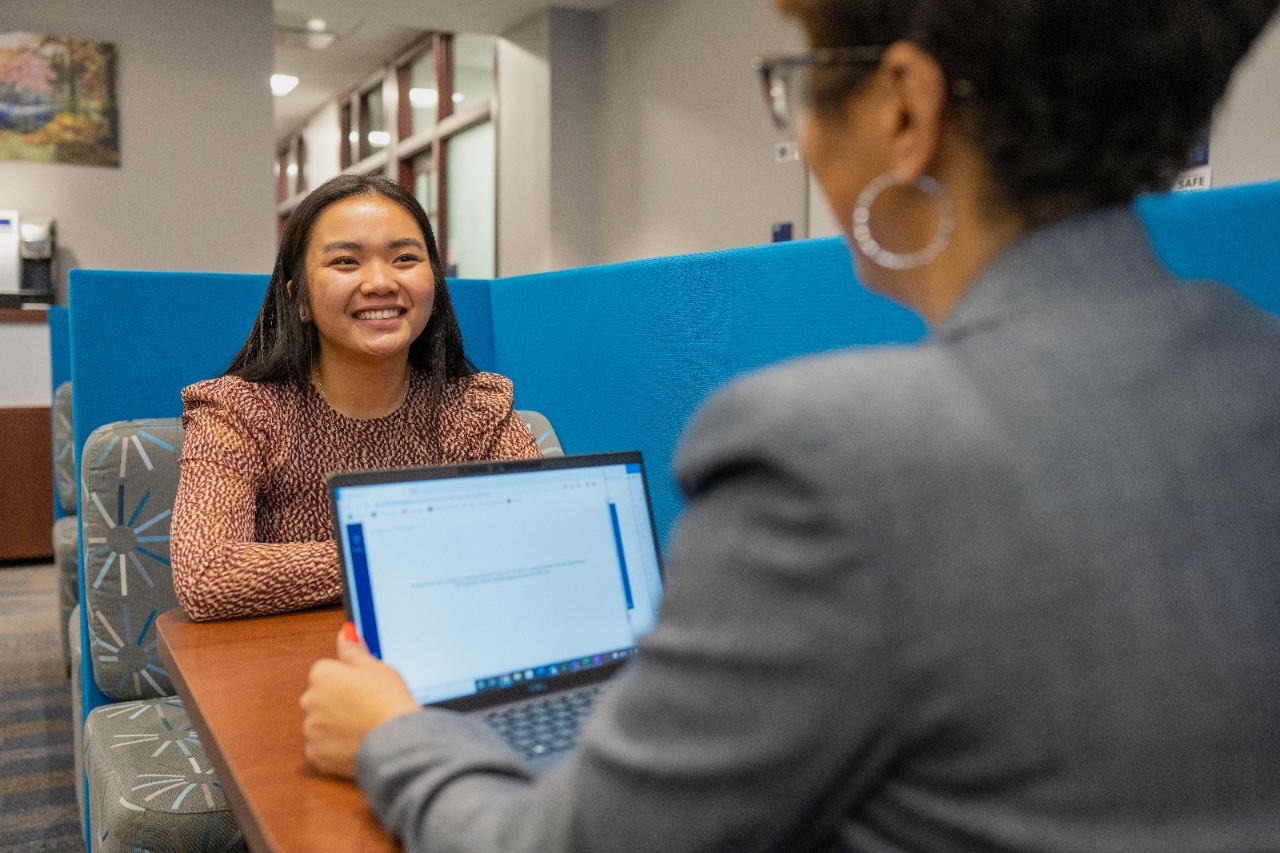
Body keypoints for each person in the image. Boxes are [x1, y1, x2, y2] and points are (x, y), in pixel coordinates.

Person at [300, 1, 1280, 850]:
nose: (803, 135)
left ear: (904, 106)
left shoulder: (836, 453)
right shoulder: (1253, 362)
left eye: (799, 87)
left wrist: (394, 731)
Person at [171, 174, 540, 622]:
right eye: (346, 262)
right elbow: (206, 576)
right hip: (288, 670)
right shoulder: (240, 413)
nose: (381, 282)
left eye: (404, 257)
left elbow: (542, 532)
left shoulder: (476, 410)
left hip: (445, 649)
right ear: (299, 300)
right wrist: (417, 546)